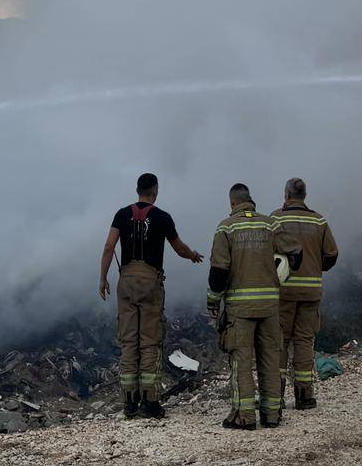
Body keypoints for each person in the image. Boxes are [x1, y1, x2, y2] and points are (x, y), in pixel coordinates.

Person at [99, 172, 203, 419]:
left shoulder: (121, 214)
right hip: (150, 283)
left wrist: (103, 278)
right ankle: (150, 402)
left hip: (125, 282)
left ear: (137, 190)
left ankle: (129, 403)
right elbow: (179, 248)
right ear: (155, 191)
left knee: (129, 342)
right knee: (149, 342)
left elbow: (108, 246)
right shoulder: (162, 217)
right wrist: (192, 255)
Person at [206, 183, 302, 429]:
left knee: (242, 360)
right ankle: (271, 415)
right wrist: (282, 273)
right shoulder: (270, 224)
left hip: (241, 308)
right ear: (251, 200)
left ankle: (245, 416)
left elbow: (219, 271)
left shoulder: (226, 227)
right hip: (270, 305)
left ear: (232, 203)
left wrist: (213, 301)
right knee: (270, 358)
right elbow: (296, 252)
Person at [272, 178, 339, 410]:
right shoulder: (319, 221)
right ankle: (304, 396)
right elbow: (331, 254)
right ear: (304, 196)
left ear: (287, 195)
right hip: (311, 291)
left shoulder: (276, 219)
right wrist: (314, 267)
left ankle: (275, 396)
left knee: (279, 342)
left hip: (283, 291)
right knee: (304, 341)